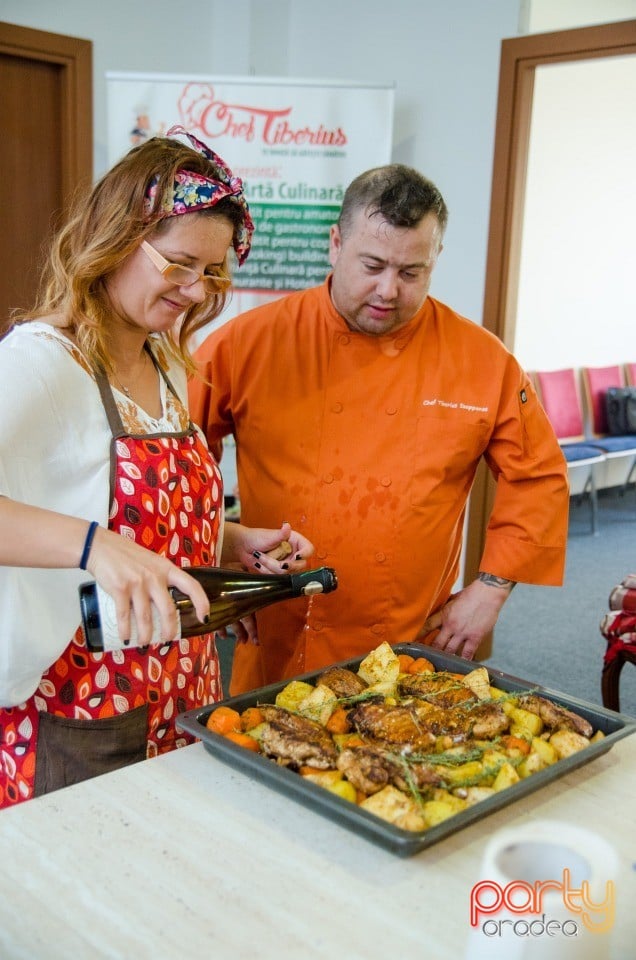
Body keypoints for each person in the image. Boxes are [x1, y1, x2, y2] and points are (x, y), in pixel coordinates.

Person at [0, 125, 312, 808]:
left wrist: (232, 541)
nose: (195, 292)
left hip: (183, 682)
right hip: (85, 700)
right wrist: (91, 546)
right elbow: (100, 533)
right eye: (177, 263)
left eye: (211, 272)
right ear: (114, 238)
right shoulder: (44, 361)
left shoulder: (161, 359)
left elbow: (136, 520)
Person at [190, 163, 569, 695]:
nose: (388, 290)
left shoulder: (482, 361)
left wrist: (491, 589)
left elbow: (538, 476)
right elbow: (178, 459)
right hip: (279, 626)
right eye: (372, 265)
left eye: (411, 272)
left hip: (409, 639)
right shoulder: (248, 342)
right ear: (336, 243)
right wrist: (214, 564)